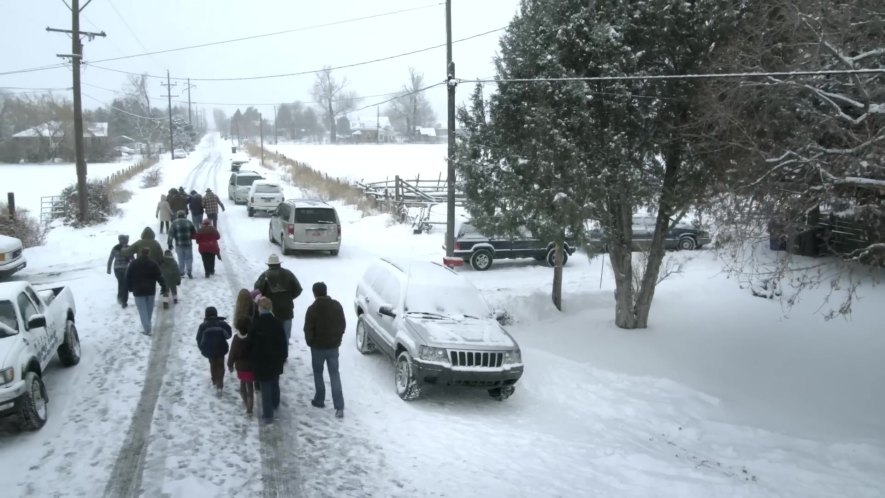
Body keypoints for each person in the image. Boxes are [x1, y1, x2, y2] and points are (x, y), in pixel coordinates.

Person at [303, 282, 347, 418]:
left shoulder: (312, 309)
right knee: (334, 374)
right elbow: (343, 324)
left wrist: (311, 342)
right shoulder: (337, 305)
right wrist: (337, 339)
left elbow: (307, 329)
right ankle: (339, 407)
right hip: (333, 347)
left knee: (318, 373)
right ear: (326, 291)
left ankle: (319, 399)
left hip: (317, 348)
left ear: (314, 293)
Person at [250, 297, 287, 424]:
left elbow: (251, 343)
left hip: (261, 361)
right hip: (276, 359)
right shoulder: (277, 323)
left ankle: (268, 415)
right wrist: (283, 357)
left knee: (265, 387)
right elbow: (283, 342)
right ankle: (275, 404)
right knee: (275, 382)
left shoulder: (256, 324)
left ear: (260, 309)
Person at [253, 253, 302, 343]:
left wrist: (264, 301)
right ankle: (285, 352)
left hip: (271, 311)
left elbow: (256, 291)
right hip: (287, 309)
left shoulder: (265, 276)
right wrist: (289, 298)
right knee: (285, 335)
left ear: (269, 265)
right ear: (279, 264)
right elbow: (298, 289)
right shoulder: (288, 274)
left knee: (272, 335)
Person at [228, 289, 257, 414]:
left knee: (242, 385)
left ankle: (245, 402)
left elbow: (232, 353)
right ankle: (250, 406)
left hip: (240, 367)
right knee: (250, 386)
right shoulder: (252, 338)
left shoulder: (236, 339)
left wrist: (230, 364)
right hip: (251, 366)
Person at [126, 248, 166, 336]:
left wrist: (130, 287)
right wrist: (164, 286)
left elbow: (128, 276)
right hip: (150, 290)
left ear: (139, 254)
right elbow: (159, 276)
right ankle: (147, 326)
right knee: (149, 310)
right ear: (148, 253)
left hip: (138, 290)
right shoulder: (153, 263)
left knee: (142, 311)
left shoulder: (133, 263)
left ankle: (147, 329)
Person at [196, 306, 232, 394]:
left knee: (212, 364)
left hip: (209, 350)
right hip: (221, 348)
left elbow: (198, 339)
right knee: (220, 365)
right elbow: (229, 335)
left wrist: (202, 348)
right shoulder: (222, 324)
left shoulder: (203, 326)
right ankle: (220, 385)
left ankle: (214, 380)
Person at [167, 210, 197, 279]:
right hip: (188, 244)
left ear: (177, 215)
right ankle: (189, 271)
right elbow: (194, 234)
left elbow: (170, 235)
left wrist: (170, 244)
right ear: (184, 215)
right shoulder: (189, 222)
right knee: (189, 258)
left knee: (181, 259)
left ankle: (181, 272)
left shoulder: (174, 223)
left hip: (179, 244)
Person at [106, 234, 133, 308]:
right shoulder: (129, 248)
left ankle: (120, 298)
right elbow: (132, 259)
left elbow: (111, 258)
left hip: (117, 269)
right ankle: (124, 301)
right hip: (125, 268)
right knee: (125, 284)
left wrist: (109, 269)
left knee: (121, 283)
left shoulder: (115, 247)